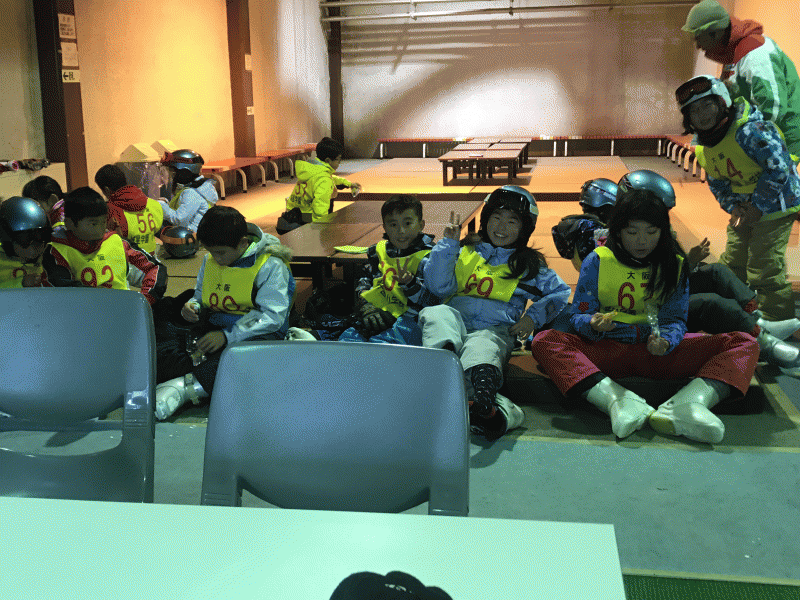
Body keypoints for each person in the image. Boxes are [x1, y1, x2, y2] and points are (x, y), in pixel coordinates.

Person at [531, 187, 760, 444]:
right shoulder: (597, 260)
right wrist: (592, 323)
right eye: (632, 232)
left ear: (663, 232)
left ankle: (689, 403)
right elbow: (579, 314)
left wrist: (666, 341)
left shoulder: (674, 264)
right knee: (544, 341)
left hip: (659, 353)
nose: (642, 241)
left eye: (651, 232)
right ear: (617, 231)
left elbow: (675, 319)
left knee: (744, 343)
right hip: (608, 348)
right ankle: (617, 401)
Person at [419, 186, 571, 440]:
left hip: (494, 330)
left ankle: (481, 395)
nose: (501, 227)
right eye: (496, 217)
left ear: (525, 228)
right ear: (485, 219)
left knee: (483, 343)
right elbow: (437, 286)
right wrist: (448, 245)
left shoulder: (526, 264)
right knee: (437, 313)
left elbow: (559, 293)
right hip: (455, 326)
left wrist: (532, 318)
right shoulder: (464, 250)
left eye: (512, 221)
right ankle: (445, 366)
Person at [619, 168, 800, 371]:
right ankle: (766, 344)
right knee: (710, 303)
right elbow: (647, 283)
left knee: (716, 272)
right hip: (652, 312)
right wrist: (687, 264)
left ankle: (758, 320)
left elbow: (665, 272)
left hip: (665, 293)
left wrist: (689, 263)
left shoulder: (654, 230)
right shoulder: (625, 238)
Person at [676, 75, 800, 321]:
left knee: (764, 266)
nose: (702, 114)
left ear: (722, 101)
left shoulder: (751, 131)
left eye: (707, 105)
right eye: (694, 110)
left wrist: (758, 206)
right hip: (743, 208)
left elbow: (779, 168)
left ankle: (778, 321)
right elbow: (718, 183)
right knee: (732, 263)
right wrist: (732, 207)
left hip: (777, 205)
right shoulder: (704, 147)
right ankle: (738, 315)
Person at [154, 205, 295, 420]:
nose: (216, 258)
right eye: (211, 252)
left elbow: (271, 317)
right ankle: (200, 376)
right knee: (169, 320)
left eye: (220, 253)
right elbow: (200, 295)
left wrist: (227, 336)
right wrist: (193, 306)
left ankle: (185, 388)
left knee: (243, 358)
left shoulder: (270, 265)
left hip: (258, 332)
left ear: (243, 243)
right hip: (217, 326)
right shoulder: (211, 260)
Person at [681, 0, 800, 154]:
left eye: (699, 38)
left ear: (715, 33)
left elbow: (773, 108)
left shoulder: (755, 55)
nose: (698, 46)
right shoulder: (736, 55)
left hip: (778, 142)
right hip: (757, 138)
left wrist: (753, 146)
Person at [339, 194, 439, 345]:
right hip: (377, 314)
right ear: (384, 227)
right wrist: (365, 305)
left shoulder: (431, 257)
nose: (401, 231)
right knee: (347, 341)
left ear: (421, 225)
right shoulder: (378, 252)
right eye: (393, 225)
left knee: (381, 346)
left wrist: (411, 284)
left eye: (408, 223)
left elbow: (434, 302)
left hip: (410, 322)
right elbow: (365, 281)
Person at [43, 186, 167, 306]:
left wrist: (145, 301)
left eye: (103, 222)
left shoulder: (117, 241)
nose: (101, 229)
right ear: (69, 223)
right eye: (93, 224)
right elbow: (65, 292)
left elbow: (155, 268)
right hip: (84, 314)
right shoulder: (56, 251)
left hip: (125, 310)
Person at [280, 137, 362, 232]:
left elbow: (330, 178)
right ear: (328, 160)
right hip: (305, 219)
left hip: (292, 213)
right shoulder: (324, 180)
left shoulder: (312, 169)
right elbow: (320, 207)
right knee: (336, 219)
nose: (340, 163)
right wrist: (323, 229)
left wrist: (348, 184)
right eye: (338, 160)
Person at [95, 163, 164, 254]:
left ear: (107, 189)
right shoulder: (154, 204)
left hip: (125, 259)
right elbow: (156, 230)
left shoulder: (109, 209)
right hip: (150, 258)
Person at [159, 149, 218, 232]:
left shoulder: (191, 193)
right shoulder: (201, 187)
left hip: (191, 235)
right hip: (197, 231)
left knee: (156, 223)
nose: (171, 176)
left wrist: (161, 205)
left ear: (184, 172)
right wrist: (166, 204)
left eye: (174, 172)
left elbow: (179, 220)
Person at [0, 196, 52, 288]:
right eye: (25, 239)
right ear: (7, 238)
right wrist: (20, 283)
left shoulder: (52, 257)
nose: (33, 248)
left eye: (41, 237)